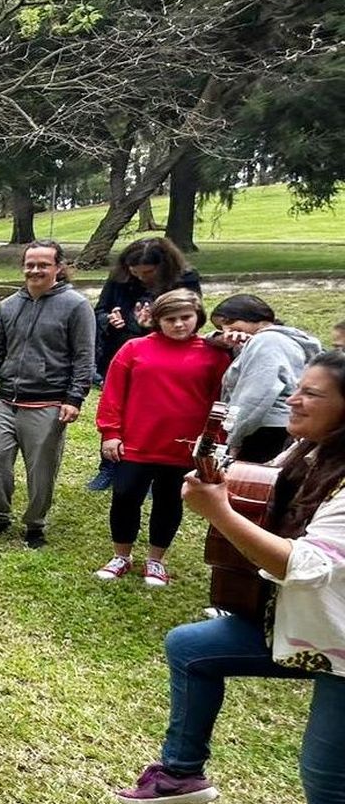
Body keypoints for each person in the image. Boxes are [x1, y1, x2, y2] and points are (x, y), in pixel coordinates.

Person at [114, 352, 345, 804]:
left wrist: (219, 512)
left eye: (312, 394)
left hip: (339, 639)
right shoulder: (307, 450)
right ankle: (182, 772)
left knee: (327, 771)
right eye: (299, 388)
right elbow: (263, 496)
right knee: (193, 648)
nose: (294, 398)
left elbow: (304, 564)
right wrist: (224, 486)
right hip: (303, 627)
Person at [92, 291, 230, 587]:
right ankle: (121, 555)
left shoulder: (214, 354)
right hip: (136, 443)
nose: (179, 325)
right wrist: (110, 433)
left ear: (198, 318)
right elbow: (113, 394)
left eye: (185, 318)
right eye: (170, 319)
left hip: (183, 447)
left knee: (169, 502)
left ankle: (156, 560)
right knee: (125, 496)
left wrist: (212, 442)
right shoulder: (134, 348)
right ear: (157, 320)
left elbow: (220, 400)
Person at [0, 240, 95, 548]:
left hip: (48, 403)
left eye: (43, 264)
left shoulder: (76, 306)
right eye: (30, 264)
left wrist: (74, 398)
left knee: (41, 469)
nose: (35, 270)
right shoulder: (9, 305)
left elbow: (84, 357)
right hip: (7, 399)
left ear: (59, 268)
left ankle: (35, 524)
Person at [88, 237, 202, 490]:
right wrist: (109, 319)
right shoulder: (119, 277)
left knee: (155, 409)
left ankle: (152, 471)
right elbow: (101, 309)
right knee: (115, 405)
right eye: (135, 272)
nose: (141, 277)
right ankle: (108, 467)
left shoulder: (184, 279)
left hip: (163, 354)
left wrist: (154, 325)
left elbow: (192, 316)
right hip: (122, 348)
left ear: (163, 267)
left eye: (148, 272)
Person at [209, 294, 321, 464]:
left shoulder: (266, 342)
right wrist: (220, 339)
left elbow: (255, 396)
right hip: (278, 427)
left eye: (231, 323)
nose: (227, 330)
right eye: (222, 327)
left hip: (265, 431)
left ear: (252, 317)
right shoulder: (280, 340)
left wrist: (234, 438)